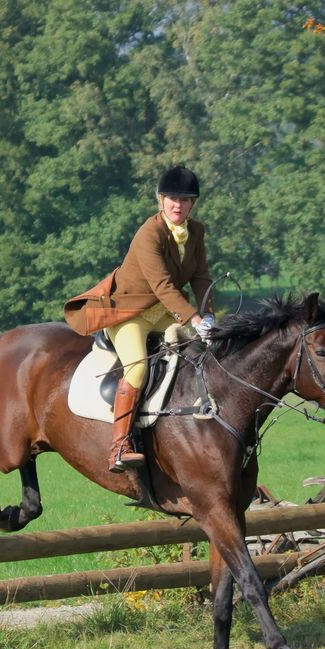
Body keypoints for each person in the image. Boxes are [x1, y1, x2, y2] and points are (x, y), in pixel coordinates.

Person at [64, 166, 214, 472]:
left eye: (185, 200)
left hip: (163, 312)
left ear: (193, 204)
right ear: (160, 200)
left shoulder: (196, 231)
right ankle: (119, 446)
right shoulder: (149, 233)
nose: (178, 205)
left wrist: (209, 315)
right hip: (128, 313)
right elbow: (163, 286)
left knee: (205, 350)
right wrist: (195, 318)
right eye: (172, 198)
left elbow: (200, 277)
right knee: (137, 368)